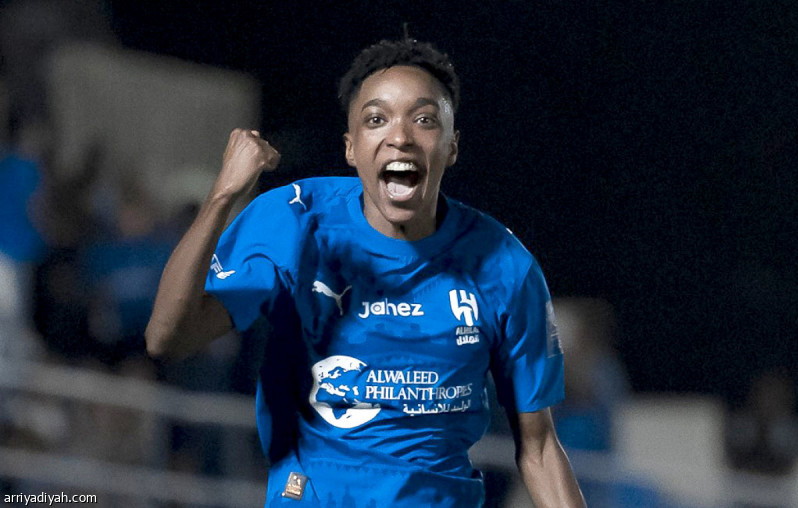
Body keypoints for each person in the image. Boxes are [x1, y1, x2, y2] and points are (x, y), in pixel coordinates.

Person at [146, 38, 585, 508]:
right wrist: (222, 196)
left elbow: (540, 447)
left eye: (424, 119)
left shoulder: (505, 265)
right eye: (377, 119)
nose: (401, 137)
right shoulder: (295, 223)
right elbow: (167, 338)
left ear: (453, 145)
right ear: (351, 148)